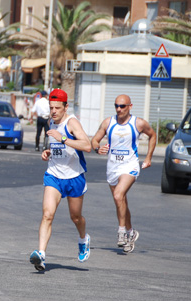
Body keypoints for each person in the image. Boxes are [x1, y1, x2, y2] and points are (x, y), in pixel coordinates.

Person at [29, 88, 92, 272]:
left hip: (74, 177)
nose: (53, 111)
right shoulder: (50, 122)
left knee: (76, 217)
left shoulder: (72, 123)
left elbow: (86, 146)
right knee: (47, 214)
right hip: (54, 175)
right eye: (51, 107)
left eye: (57, 107)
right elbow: (56, 145)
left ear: (66, 107)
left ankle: (83, 239)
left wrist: (63, 139)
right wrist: (48, 152)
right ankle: (41, 255)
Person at [91, 94, 157, 254]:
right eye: (116, 106)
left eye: (122, 106)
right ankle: (131, 232)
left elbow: (153, 135)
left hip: (130, 166)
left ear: (130, 106)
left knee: (118, 195)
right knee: (120, 201)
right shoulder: (108, 122)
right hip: (113, 167)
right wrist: (97, 148)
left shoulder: (138, 123)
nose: (119, 109)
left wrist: (148, 158)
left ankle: (121, 232)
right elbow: (94, 140)